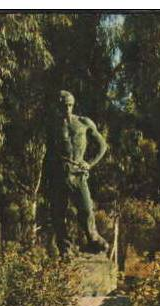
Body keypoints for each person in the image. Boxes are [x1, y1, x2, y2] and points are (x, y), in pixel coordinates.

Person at [46, 90, 110, 255]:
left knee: (87, 209)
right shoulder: (52, 125)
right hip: (59, 175)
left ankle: (93, 239)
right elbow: (49, 153)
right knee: (58, 213)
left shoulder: (84, 122)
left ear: (73, 105)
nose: (67, 108)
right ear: (58, 107)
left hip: (79, 174)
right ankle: (65, 248)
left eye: (69, 105)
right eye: (63, 105)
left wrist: (89, 163)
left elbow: (102, 146)